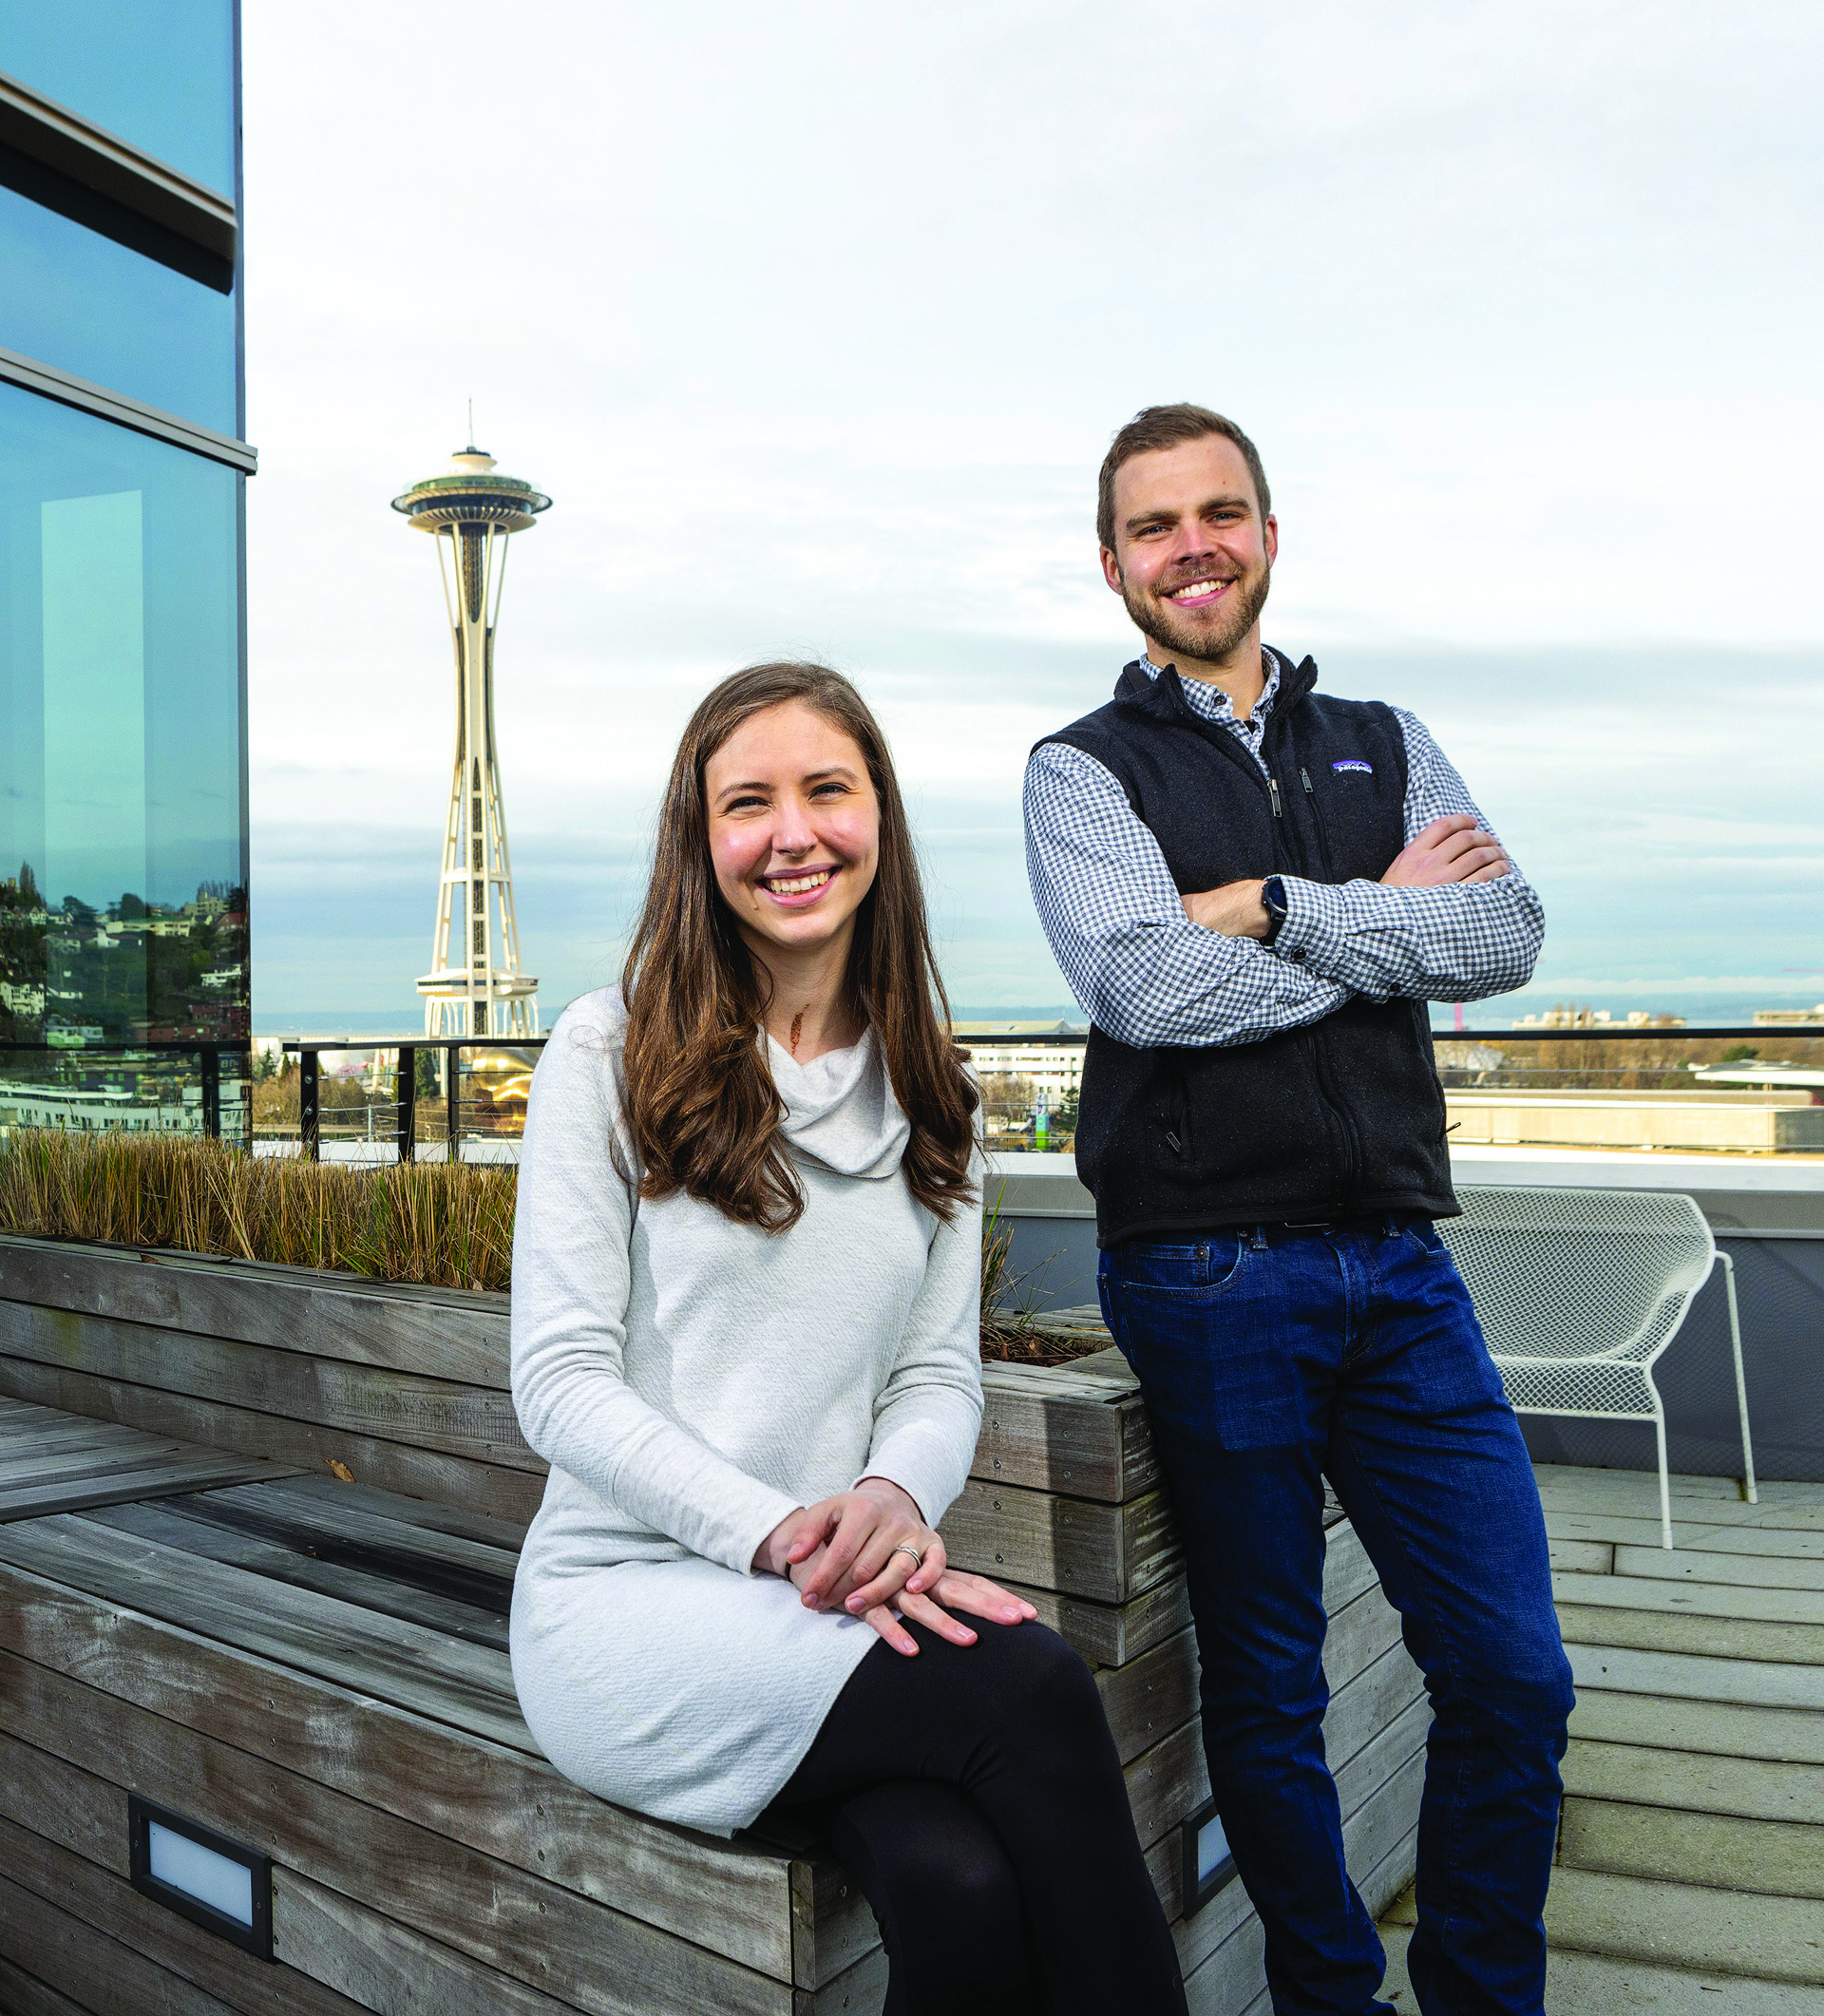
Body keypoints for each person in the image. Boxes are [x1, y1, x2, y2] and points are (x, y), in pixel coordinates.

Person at [510, 661, 1188, 2016]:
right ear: (700, 842)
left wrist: (889, 1495)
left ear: (879, 812)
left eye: (828, 787)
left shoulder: (938, 1090)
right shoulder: (609, 1050)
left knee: (957, 1885)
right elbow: (560, 1383)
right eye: (747, 801)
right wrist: (782, 1534)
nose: (793, 831)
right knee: (1036, 1686)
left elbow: (937, 1372)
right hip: (631, 1606)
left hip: (824, 1599)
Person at [1023, 407, 1575, 2016]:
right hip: (1206, 1275)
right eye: (1154, 525)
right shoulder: (1083, 770)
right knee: (1267, 1692)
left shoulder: (1387, 741)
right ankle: (1332, 2002)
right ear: (1113, 561)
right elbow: (1140, 983)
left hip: (1402, 1265)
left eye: (1220, 512)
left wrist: (1273, 905)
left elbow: (1505, 934)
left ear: (1270, 532)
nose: (1190, 544)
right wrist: (1377, 923)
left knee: (1513, 1671)